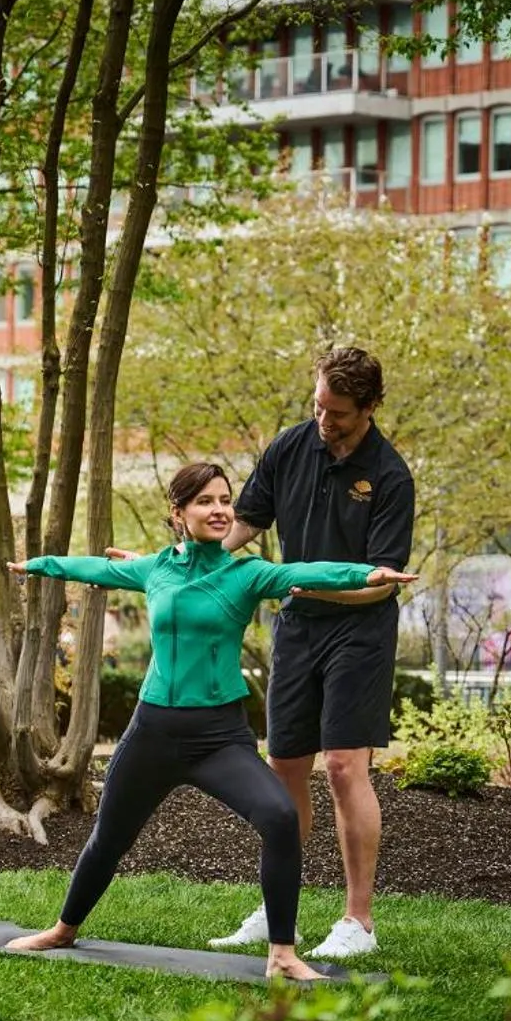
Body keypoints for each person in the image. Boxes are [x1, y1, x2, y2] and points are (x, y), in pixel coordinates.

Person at [5, 461, 418, 982]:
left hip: (218, 736)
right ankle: (63, 928)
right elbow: (96, 570)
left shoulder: (245, 574)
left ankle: (283, 953)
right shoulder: (156, 568)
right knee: (109, 836)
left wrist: (368, 574)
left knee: (279, 817)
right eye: (205, 501)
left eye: (225, 500)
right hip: (152, 731)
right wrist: (39, 565)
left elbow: (304, 572)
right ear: (178, 514)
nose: (220, 509)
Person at [209, 346, 415, 961]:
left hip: (359, 632)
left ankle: (359, 921)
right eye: (319, 406)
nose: (325, 421)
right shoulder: (290, 447)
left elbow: (379, 581)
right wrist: (193, 561)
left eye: (340, 414)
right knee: (285, 767)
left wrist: (298, 584)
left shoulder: (390, 476)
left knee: (346, 768)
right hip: (297, 627)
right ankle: (280, 909)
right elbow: (244, 522)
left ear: (370, 408)